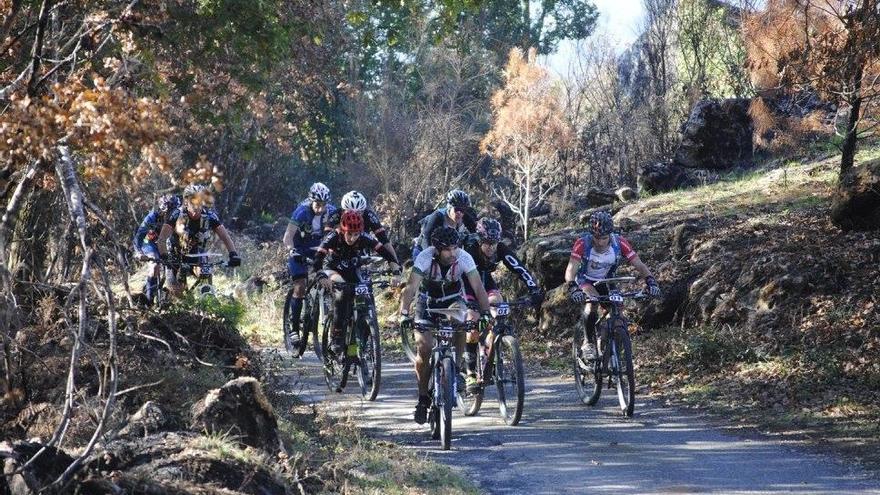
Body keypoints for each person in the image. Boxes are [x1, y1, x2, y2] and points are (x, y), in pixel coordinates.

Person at [399, 226, 492, 425]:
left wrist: (485, 313)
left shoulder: (464, 257)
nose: (452, 253)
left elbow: (478, 287)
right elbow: (411, 287)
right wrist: (404, 314)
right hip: (427, 302)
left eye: (454, 248)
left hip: (453, 300)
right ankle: (423, 398)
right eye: (447, 250)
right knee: (424, 347)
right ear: (437, 249)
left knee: (461, 324)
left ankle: (456, 370)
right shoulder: (424, 257)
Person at [460, 217, 544, 393]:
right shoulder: (470, 250)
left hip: (486, 282)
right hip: (466, 283)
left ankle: (491, 345)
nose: (491, 247)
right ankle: (469, 372)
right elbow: (462, 277)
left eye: (494, 243)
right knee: (473, 321)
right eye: (487, 243)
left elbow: (519, 268)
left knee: (497, 306)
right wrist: (472, 306)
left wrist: (534, 289)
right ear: (480, 240)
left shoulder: (500, 249)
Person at [562, 211, 661, 360]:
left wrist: (650, 280)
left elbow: (639, 264)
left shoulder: (619, 242)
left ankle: (611, 349)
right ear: (591, 234)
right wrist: (572, 286)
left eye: (604, 238)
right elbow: (571, 270)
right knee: (592, 302)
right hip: (586, 280)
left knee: (618, 314)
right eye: (596, 237)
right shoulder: (582, 243)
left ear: (610, 234)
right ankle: (588, 344)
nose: (600, 242)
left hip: (608, 280)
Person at [311, 210, 400, 357]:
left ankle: (359, 342)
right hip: (332, 269)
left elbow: (385, 252)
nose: (352, 238)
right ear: (342, 229)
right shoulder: (333, 236)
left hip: (352, 269)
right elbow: (318, 257)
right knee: (343, 292)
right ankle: (337, 337)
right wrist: (320, 275)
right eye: (349, 234)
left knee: (365, 293)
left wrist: (395, 269)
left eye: (356, 234)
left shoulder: (364, 236)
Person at [156, 184, 241, 296]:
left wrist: (233, 254)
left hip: (197, 255)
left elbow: (224, 236)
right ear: (186, 201)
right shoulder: (176, 214)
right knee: (176, 292)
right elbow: (161, 239)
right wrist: (164, 255)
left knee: (204, 273)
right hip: (174, 255)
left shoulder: (210, 216)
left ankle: (206, 298)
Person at [281, 182, 336, 349]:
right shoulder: (301, 211)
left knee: (333, 280)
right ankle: (293, 328)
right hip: (300, 250)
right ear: (312, 201)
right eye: (318, 205)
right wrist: (291, 251)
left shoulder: (332, 212)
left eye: (323, 205)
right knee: (300, 286)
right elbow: (288, 236)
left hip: (320, 249)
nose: (320, 208)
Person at [132, 193, 180, 304]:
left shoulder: (179, 217)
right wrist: (138, 252)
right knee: (154, 265)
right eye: (169, 211)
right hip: (150, 244)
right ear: (163, 209)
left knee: (177, 265)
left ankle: (175, 296)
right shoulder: (152, 217)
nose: (172, 214)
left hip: (167, 244)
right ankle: (148, 300)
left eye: (174, 210)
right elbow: (139, 236)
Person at [326, 190, 399, 263]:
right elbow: (326, 235)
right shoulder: (337, 214)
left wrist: (395, 262)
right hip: (339, 248)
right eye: (349, 212)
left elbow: (384, 240)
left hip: (361, 248)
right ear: (343, 210)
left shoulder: (369, 215)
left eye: (359, 212)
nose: (354, 216)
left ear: (364, 210)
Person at [411, 189, 477, 259]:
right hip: (422, 248)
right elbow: (426, 237)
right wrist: (433, 257)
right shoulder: (437, 217)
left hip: (447, 251)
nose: (459, 213)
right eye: (456, 209)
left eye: (463, 210)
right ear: (449, 207)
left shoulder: (465, 216)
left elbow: (475, 232)